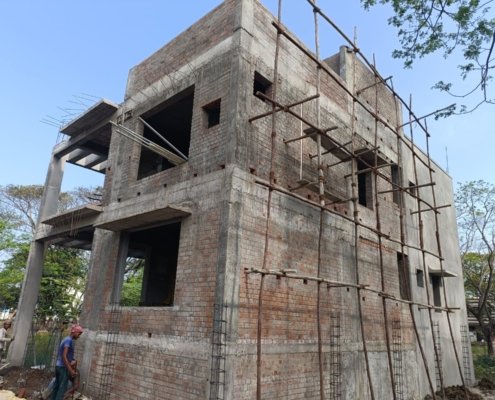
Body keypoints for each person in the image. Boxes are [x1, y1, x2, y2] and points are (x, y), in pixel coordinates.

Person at [51, 324, 83, 400]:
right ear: (74, 332)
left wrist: (72, 361)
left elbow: (65, 355)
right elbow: (64, 356)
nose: (79, 336)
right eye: (79, 333)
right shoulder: (69, 340)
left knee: (56, 387)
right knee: (61, 390)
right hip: (63, 368)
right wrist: (71, 370)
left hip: (58, 366)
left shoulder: (65, 339)